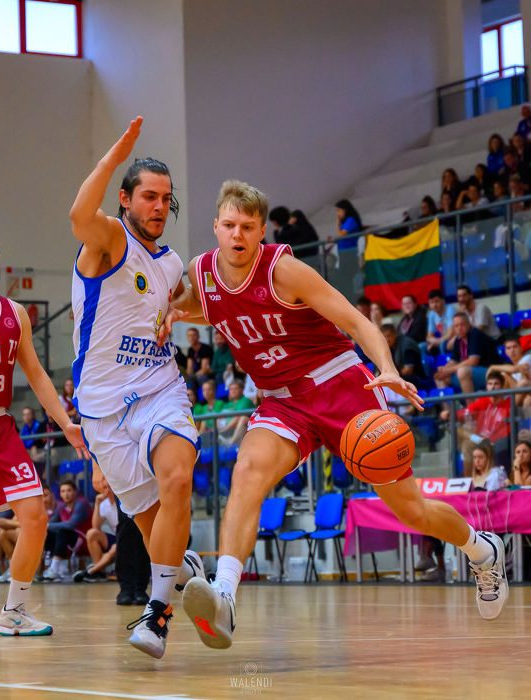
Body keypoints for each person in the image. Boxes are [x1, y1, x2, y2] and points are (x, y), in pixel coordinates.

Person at [164, 179, 507, 648]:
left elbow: (356, 321)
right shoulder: (202, 272)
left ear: (262, 231)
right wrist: (172, 310)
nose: (237, 234)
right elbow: (206, 305)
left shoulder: (285, 271)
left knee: (411, 510)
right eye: (229, 225)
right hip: (282, 400)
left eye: (247, 226)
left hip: (341, 387)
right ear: (216, 227)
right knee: (246, 471)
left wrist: (387, 368)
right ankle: (224, 595)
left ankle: (483, 549)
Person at [69, 117, 204, 659]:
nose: (158, 206)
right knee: (152, 531)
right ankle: (182, 569)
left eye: (165, 199)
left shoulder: (171, 263)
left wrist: (183, 311)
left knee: (178, 478)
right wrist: (113, 157)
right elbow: (79, 216)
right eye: (149, 196)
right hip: (102, 409)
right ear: (125, 199)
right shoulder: (108, 240)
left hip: (159, 388)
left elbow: (195, 303)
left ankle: (158, 613)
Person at [0, 233, 88, 636]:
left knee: (36, 516)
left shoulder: (15, 313)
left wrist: (65, 423)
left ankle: (14, 611)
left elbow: (36, 374)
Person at [440, 372, 510, 474]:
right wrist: (450, 415)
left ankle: (477, 440)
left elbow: (507, 431)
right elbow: (466, 413)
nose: (492, 387)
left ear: (502, 387)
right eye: (490, 384)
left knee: (466, 444)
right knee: (460, 436)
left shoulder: (508, 405)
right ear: (487, 386)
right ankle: (469, 481)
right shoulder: (483, 401)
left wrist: (491, 439)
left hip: (494, 443)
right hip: (479, 440)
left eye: (496, 384)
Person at [435, 312, 501, 393]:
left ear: (468, 324)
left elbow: (473, 361)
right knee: (440, 378)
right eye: (456, 326)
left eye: (462, 324)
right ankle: (449, 402)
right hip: (473, 373)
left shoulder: (475, 335)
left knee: (462, 371)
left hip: (491, 371)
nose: (459, 328)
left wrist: (450, 370)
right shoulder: (458, 340)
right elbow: (454, 361)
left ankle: (470, 401)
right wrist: (444, 370)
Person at [43, 481, 92, 581]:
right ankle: (60, 568)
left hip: (85, 540)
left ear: (75, 492)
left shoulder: (81, 504)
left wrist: (47, 526)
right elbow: (50, 523)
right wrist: (45, 527)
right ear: (60, 494)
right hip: (69, 542)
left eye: (69, 491)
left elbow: (71, 524)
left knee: (63, 531)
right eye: (63, 491)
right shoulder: (61, 507)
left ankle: (54, 568)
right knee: (49, 534)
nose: (66, 494)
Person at [73, 477, 117, 583]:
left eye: (110, 487)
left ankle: (92, 570)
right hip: (115, 537)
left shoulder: (122, 502)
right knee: (92, 533)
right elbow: (96, 527)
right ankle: (100, 571)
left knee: (115, 547)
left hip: (128, 537)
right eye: (105, 488)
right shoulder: (104, 505)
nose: (108, 490)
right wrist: (97, 504)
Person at [486, 334, 531, 406]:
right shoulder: (510, 370)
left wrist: (493, 367)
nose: (512, 350)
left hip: (528, 393)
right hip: (520, 395)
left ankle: (508, 409)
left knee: (520, 382)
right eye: (508, 348)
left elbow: (514, 369)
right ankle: (497, 404)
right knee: (500, 377)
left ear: (521, 349)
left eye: (515, 347)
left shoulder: (528, 358)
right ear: (506, 352)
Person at [381, 324, 426, 388]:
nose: (387, 339)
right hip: (398, 378)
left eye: (388, 336)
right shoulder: (387, 348)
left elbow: (408, 371)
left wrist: (390, 375)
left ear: (395, 334)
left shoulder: (407, 344)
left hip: (416, 379)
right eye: (384, 337)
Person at [218, 379, 255, 446]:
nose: (233, 391)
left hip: (243, 430)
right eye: (231, 389)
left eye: (236, 388)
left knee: (241, 417)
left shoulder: (246, 401)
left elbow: (238, 417)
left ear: (242, 389)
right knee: (217, 419)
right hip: (228, 429)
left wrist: (223, 430)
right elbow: (221, 417)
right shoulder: (227, 404)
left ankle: (231, 441)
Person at [425, 289, 456, 355]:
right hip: (440, 340)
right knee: (422, 346)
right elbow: (429, 336)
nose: (434, 305)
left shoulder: (450, 309)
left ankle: (443, 361)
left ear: (443, 301)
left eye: (437, 301)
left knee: (442, 344)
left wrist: (438, 341)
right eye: (431, 302)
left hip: (452, 339)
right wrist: (433, 341)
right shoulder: (431, 314)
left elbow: (451, 333)